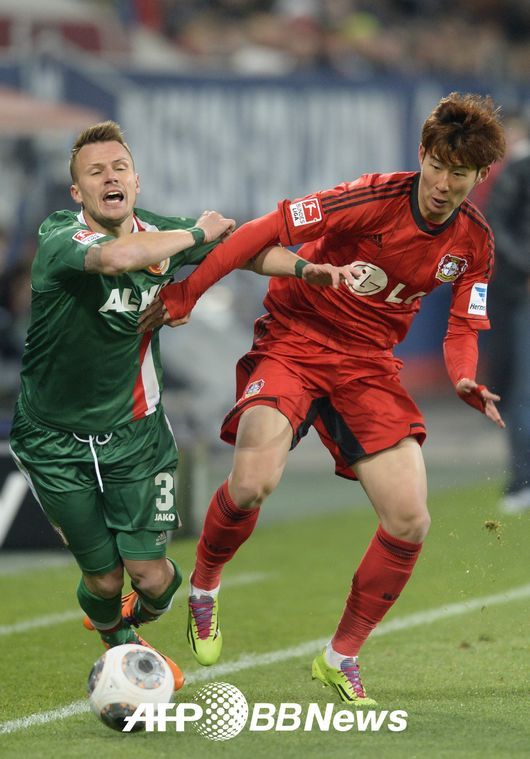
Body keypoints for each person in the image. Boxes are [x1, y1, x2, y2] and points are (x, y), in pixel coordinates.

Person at [138, 92, 507, 706]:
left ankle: (340, 656)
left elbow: (464, 327)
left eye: (460, 174)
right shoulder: (370, 198)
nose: (444, 184)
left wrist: (464, 377)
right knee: (252, 482)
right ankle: (204, 586)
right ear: (422, 154)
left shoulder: (475, 241)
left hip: (368, 367)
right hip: (296, 340)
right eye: (438, 166)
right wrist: (187, 292)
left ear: (480, 175)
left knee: (410, 519)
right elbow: (261, 232)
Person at [8, 120, 355, 690]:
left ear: (136, 181)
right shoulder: (60, 237)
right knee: (102, 580)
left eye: (119, 168)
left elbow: (242, 251)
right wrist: (196, 233)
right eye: (95, 172)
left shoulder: (162, 232)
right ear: (77, 192)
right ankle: (123, 650)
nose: (109, 178)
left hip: (136, 435)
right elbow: (119, 258)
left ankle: (132, 621)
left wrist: (304, 268)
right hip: (53, 441)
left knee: (154, 580)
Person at [485, 112, 530, 514]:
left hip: (518, 292)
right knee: (523, 391)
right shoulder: (518, 169)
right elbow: (495, 227)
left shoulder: (517, 169)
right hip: (521, 296)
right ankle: (521, 482)